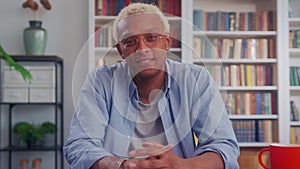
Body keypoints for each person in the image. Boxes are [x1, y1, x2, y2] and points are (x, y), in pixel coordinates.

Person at [63, 3, 240, 169]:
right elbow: (80, 145)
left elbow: (224, 146)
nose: (142, 48)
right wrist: (122, 165)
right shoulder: (100, 81)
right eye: (130, 41)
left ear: (168, 43)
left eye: (152, 37)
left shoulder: (196, 79)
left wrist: (180, 166)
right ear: (121, 51)